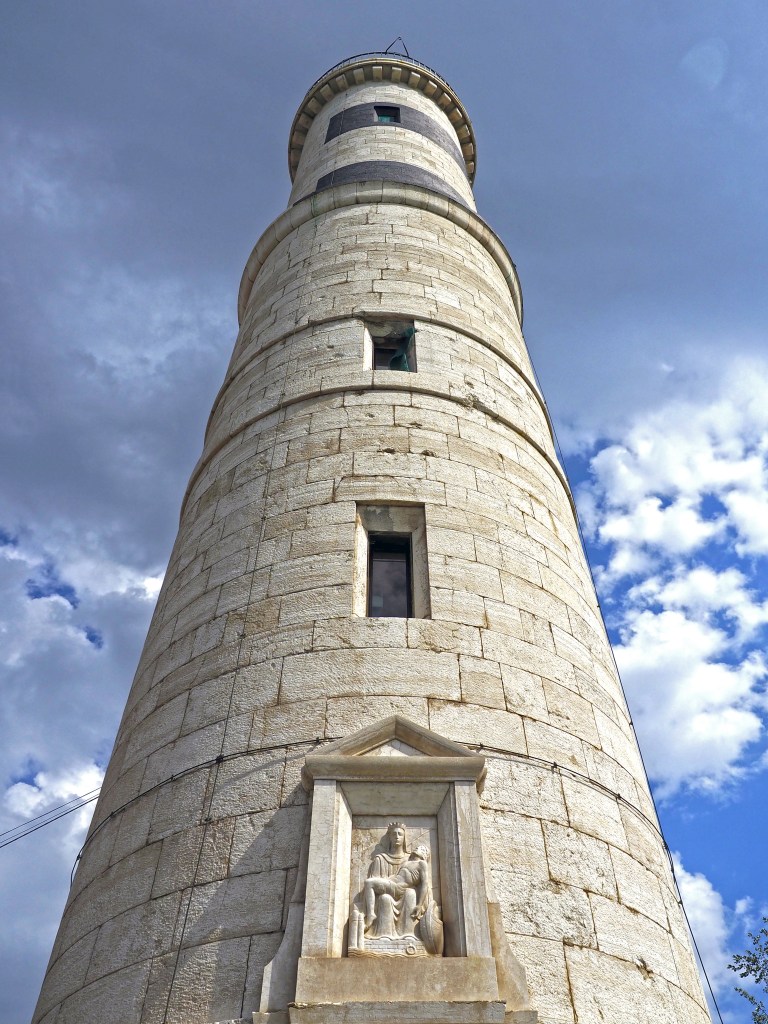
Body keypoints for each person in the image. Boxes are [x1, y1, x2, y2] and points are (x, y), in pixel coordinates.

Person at [364, 843, 431, 938]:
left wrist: (419, 905)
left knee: (369, 883)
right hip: (392, 884)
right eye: (417, 846)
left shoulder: (421, 864)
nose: (417, 847)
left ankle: (371, 915)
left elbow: (424, 884)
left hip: (398, 888)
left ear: (425, 854)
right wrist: (385, 880)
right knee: (370, 884)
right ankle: (372, 915)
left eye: (422, 848)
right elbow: (397, 876)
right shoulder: (406, 862)